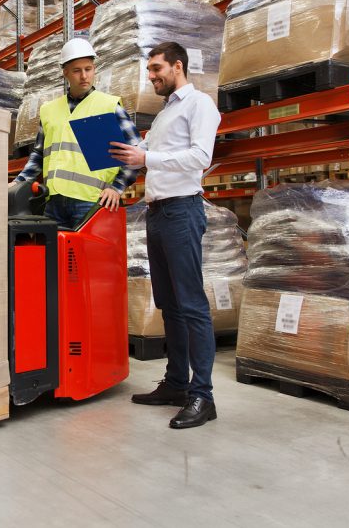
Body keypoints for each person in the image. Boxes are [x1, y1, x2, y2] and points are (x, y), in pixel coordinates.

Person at [109, 41, 222, 429]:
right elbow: (147, 155)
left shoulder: (199, 105)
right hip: (157, 213)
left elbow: (200, 158)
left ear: (177, 66)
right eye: (150, 71)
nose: (152, 76)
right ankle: (176, 383)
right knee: (169, 305)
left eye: (157, 69)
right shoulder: (162, 116)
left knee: (191, 305)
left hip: (182, 211)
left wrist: (147, 158)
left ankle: (202, 396)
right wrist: (127, 151)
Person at [13, 38, 141, 229]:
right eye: (77, 70)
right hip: (53, 201)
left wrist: (117, 187)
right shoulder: (49, 110)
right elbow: (39, 154)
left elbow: (136, 152)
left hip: (91, 200)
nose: (84, 76)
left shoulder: (108, 106)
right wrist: (18, 182)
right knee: (56, 257)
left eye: (88, 69)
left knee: (88, 258)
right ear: (65, 73)